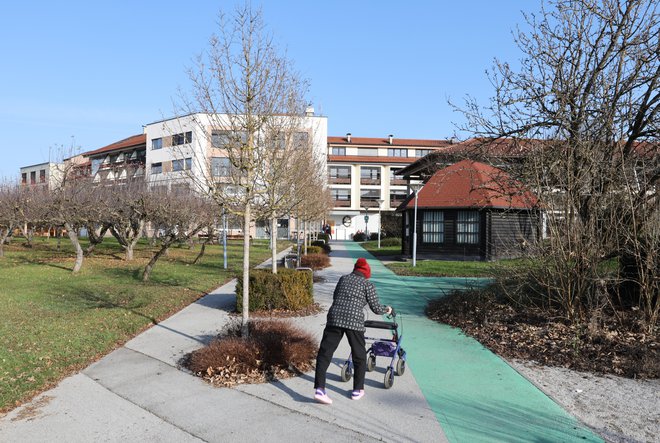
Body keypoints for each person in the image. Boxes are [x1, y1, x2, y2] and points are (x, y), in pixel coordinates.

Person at [313, 257, 391, 404]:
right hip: (354, 322)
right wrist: (387, 309)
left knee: (325, 353)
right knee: (359, 355)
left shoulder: (343, 279)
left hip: (334, 318)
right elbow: (375, 308)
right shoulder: (368, 285)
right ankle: (357, 390)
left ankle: (320, 389)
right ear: (367, 273)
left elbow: (336, 296)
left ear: (355, 269)